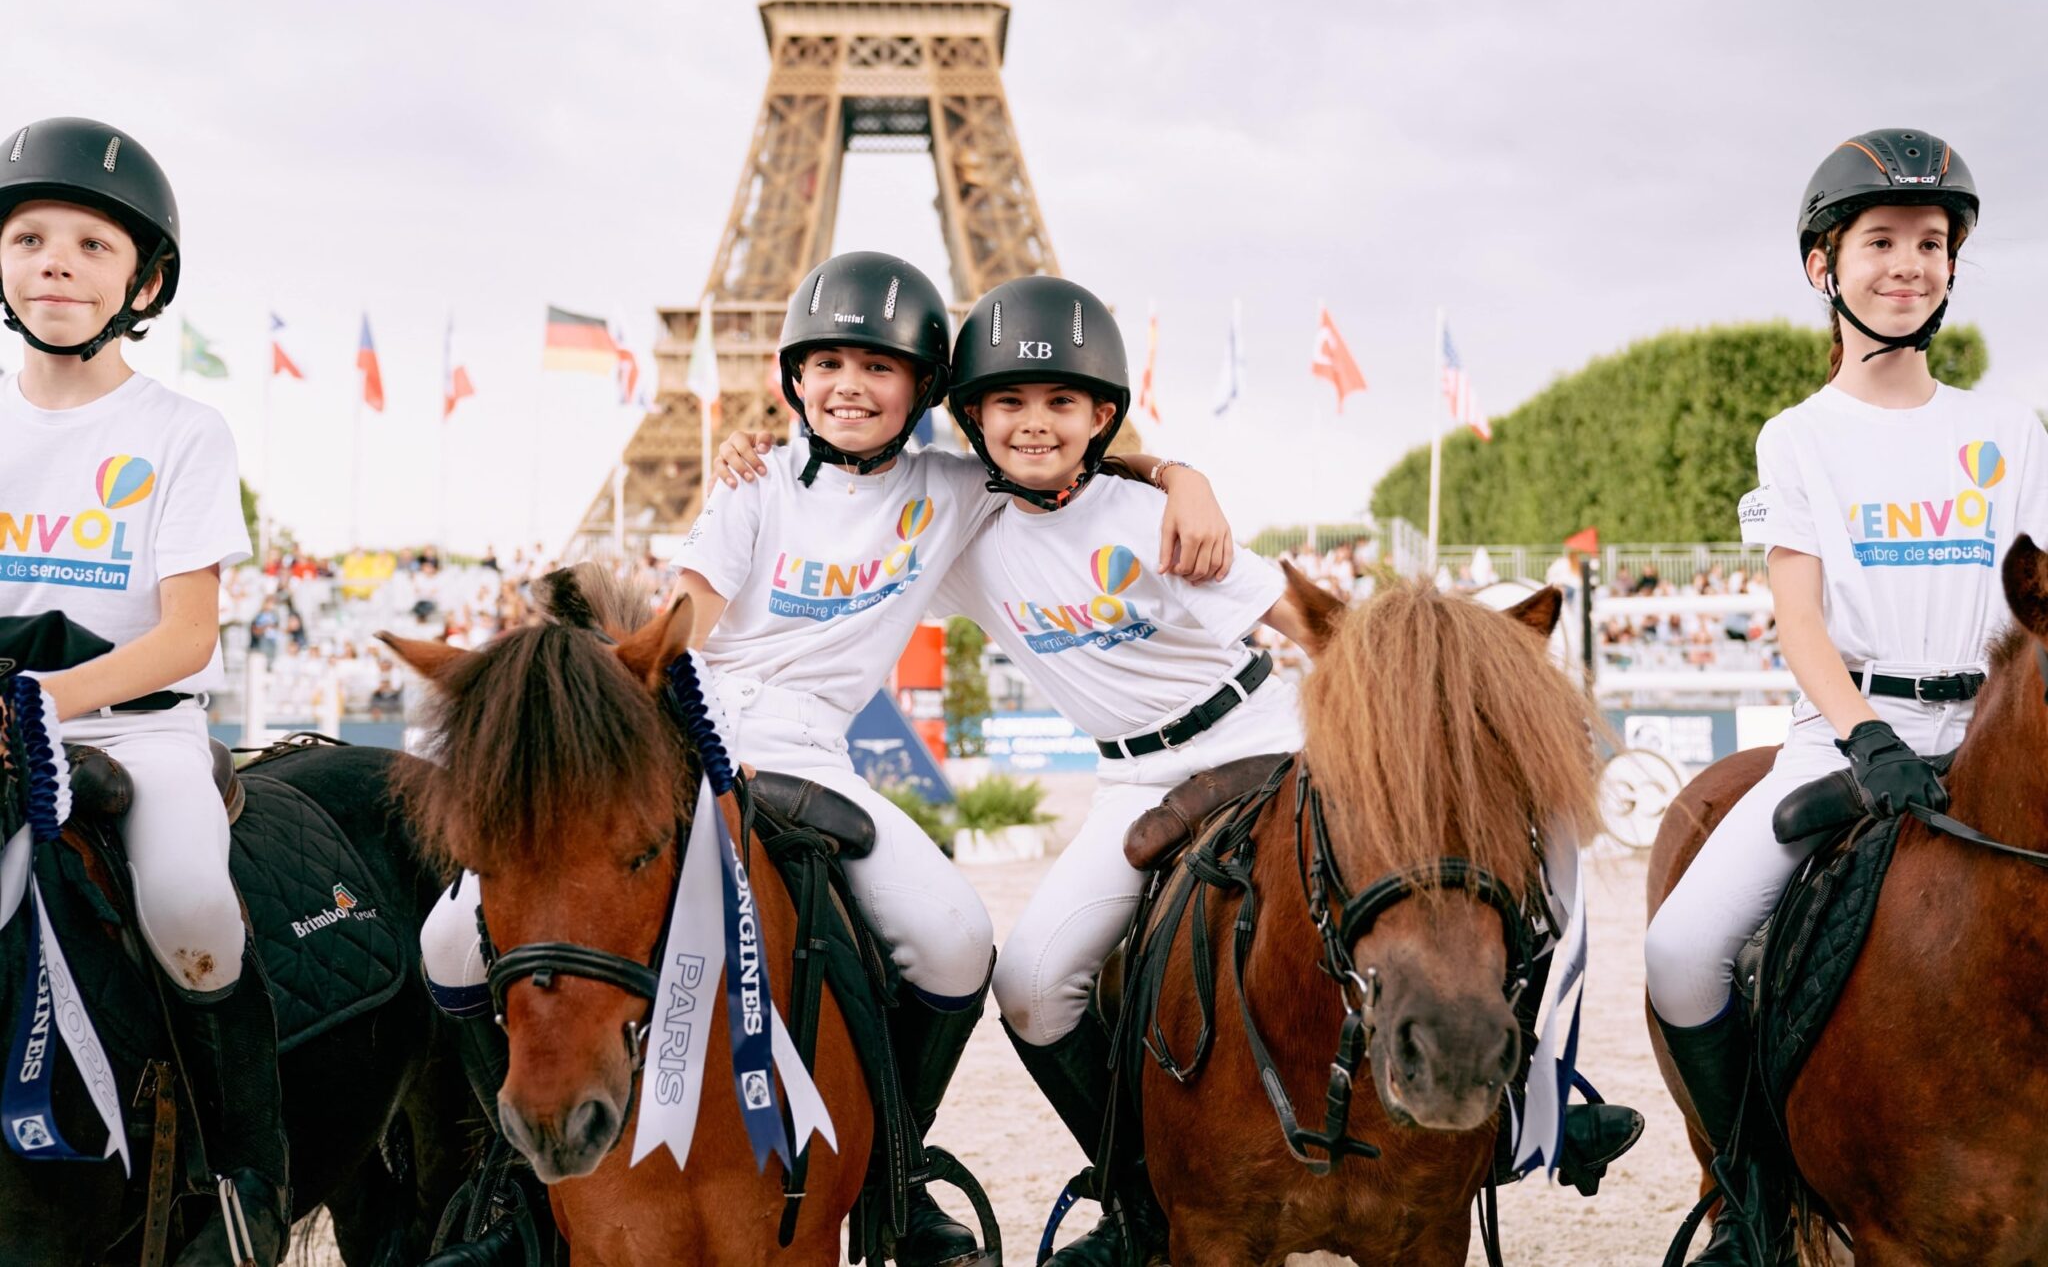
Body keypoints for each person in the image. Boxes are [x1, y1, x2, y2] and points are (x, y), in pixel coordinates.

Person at [419, 251, 1232, 1266]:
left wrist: (1177, 474)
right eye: (828, 364)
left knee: (953, 942)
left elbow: (1059, 463)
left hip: (811, 752)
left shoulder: (956, 488)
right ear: (793, 379)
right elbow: (694, 612)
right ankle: (506, 1187)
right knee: (449, 941)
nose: (850, 384)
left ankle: (898, 1170)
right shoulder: (752, 482)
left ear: (927, 389)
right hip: (691, 735)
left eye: (878, 367)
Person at [934, 276, 1642, 1265]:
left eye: (1061, 403)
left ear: (1100, 414)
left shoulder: (1159, 520)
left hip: (1257, 740)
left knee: (1439, 879)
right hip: (1130, 779)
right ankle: (1137, 1187)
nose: (1034, 424)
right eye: (1007, 402)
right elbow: (857, 483)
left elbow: (1309, 623)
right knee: (1032, 983)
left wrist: (1181, 478)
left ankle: (1531, 1107)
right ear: (970, 417)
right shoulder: (959, 528)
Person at [1644, 129, 2048, 1264]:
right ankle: (1750, 1197)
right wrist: (1865, 737)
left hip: (1995, 740)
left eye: (1929, 241)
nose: (1905, 263)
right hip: (1846, 740)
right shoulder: (1798, 438)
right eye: (1879, 241)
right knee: (1678, 955)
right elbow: (1798, 617)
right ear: (1824, 265)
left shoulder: (2006, 430)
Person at [0, 118, 286, 1265]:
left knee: (191, 912)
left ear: (144, 280)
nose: (55, 262)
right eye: (28, 237)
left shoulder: (183, 431)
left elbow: (181, 637)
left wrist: (41, 702)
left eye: (90, 244)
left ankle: (241, 1175)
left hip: (133, 723)